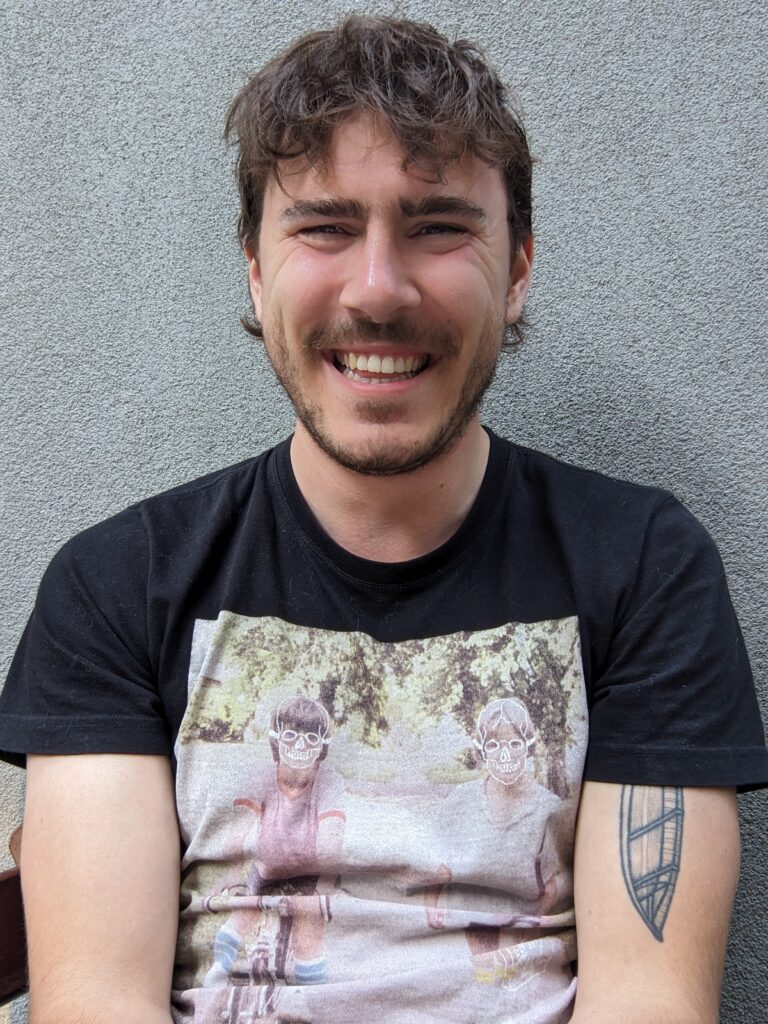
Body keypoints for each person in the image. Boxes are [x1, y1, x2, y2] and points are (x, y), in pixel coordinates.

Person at [0, 14, 766, 1024]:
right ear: (255, 267)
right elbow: (98, 1003)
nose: (377, 288)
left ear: (520, 264)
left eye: (438, 225)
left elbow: (651, 1005)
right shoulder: (115, 586)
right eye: (324, 226)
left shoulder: (642, 568)